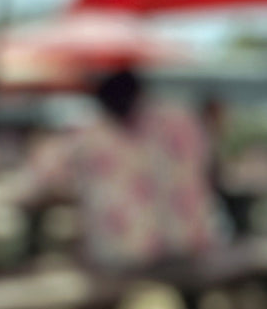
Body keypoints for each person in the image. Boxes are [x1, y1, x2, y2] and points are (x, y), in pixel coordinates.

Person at [30, 67, 226, 273]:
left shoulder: (98, 133)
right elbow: (210, 169)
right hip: (190, 243)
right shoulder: (179, 119)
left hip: (128, 253)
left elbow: (43, 177)